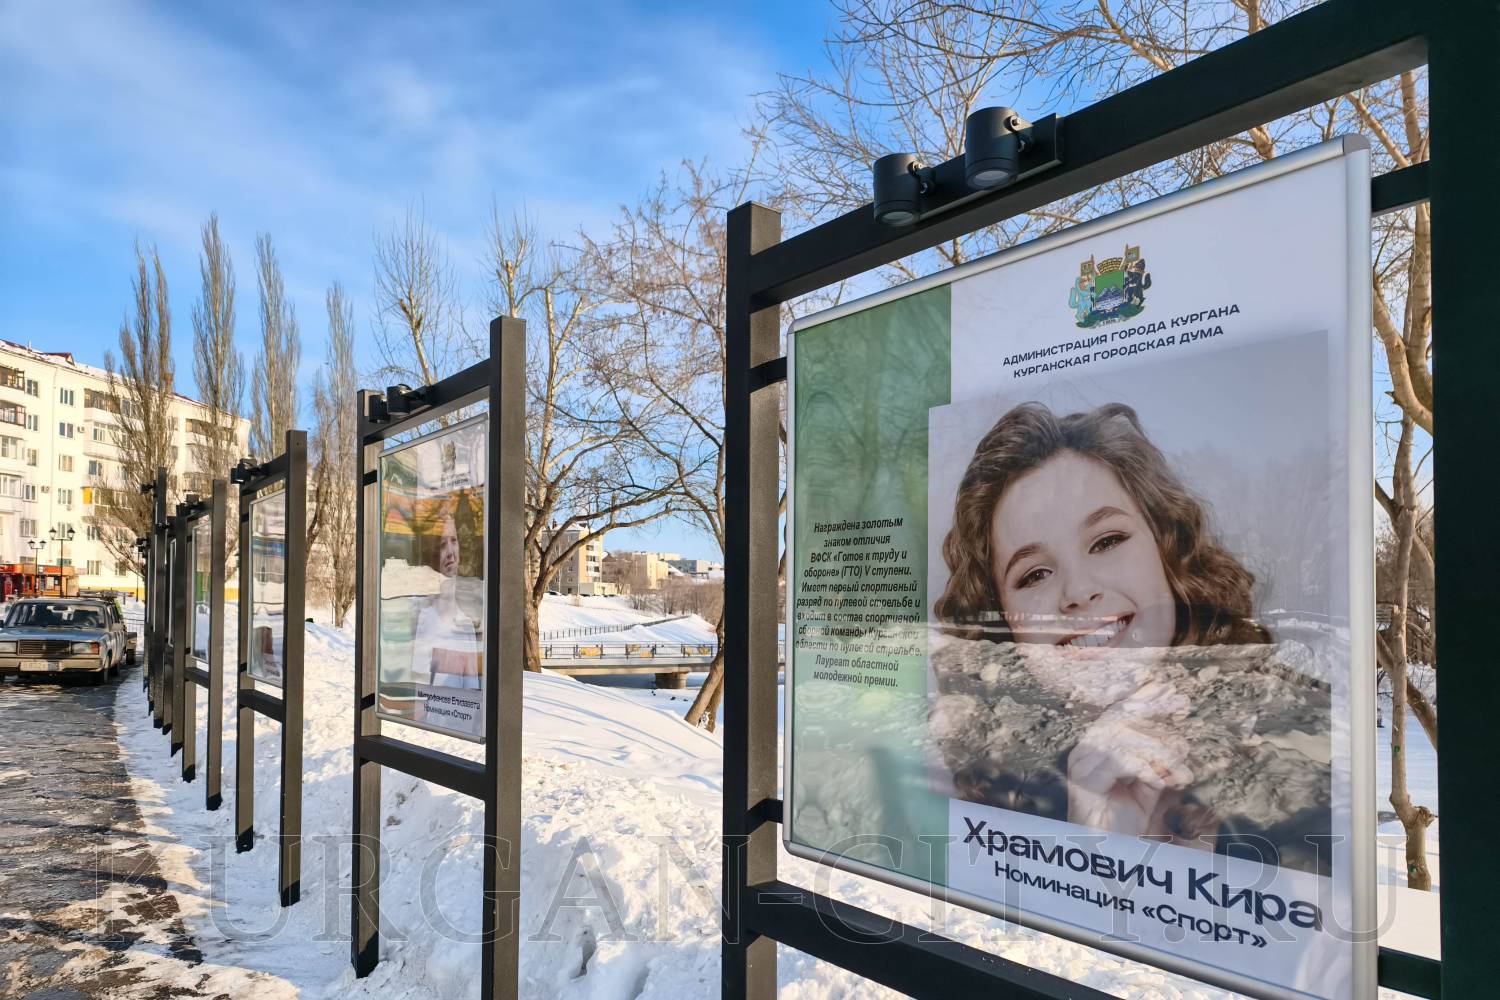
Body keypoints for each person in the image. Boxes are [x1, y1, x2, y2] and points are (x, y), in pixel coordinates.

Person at [932, 402, 1329, 866]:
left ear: (1166, 547)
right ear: (1005, 619)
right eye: (1034, 574)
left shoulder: (1310, 746)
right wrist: (1096, 861)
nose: (1077, 592)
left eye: (1106, 542)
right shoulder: (986, 795)